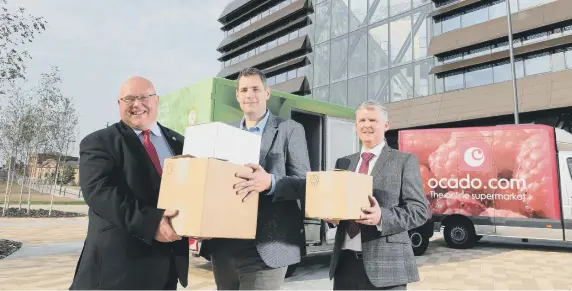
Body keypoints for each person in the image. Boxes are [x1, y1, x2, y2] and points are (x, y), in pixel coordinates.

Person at [70, 76, 189, 290]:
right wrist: (151, 223)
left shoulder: (181, 143)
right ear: (119, 104)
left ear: (157, 100)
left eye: (144, 97)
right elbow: (100, 192)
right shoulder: (99, 142)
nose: (137, 104)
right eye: (129, 99)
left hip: (167, 268)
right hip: (117, 271)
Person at [199, 67, 311, 289]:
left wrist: (270, 182)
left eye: (256, 89)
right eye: (244, 90)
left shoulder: (289, 129)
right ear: (238, 96)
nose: (250, 94)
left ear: (267, 93)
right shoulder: (224, 133)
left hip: (267, 247)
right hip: (224, 246)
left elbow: (304, 183)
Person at [324, 100, 429, 290]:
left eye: (373, 120)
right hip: (345, 266)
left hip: (387, 268)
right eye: (362, 120)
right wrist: (332, 216)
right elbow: (339, 204)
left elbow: (420, 210)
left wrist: (382, 217)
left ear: (386, 125)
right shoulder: (344, 162)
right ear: (356, 126)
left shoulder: (404, 161)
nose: (367, 125)